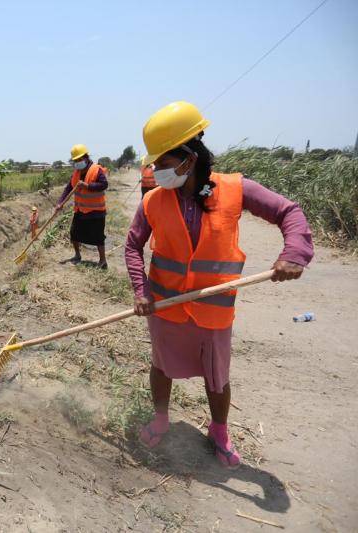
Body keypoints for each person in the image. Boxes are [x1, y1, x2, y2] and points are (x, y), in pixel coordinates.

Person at [124, 101, 313, 468]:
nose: (157, 171)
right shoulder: (152, 201)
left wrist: (295, 252)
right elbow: (133, 244)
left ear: (188, 158)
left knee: (216, 376)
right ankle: (161, 418)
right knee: (162, 366)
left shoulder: (235, 188)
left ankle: (219, 430)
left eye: (163, 163)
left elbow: (288, 212)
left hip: (213, 309)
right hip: (165, 306)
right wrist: (140, 290)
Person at [56, 143, 108, 267]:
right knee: (74, 234)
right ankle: (77, 255)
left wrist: (88, 186)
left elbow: (104, 184)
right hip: (80, 209)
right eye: (75, 160)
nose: (78, 162)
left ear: (86, 157)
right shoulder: (76, 173)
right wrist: (60, 203)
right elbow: (68, 188)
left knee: (98, 237)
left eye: (80, 159)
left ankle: (102, 261)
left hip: (96, 211)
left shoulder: (96, 170)